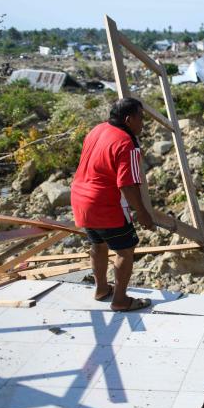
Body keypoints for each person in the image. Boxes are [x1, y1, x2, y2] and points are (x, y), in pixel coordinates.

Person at [70, 98, 155, 311]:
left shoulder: (97, 130)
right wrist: (143, 214)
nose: (142, 124)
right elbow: (127, 185)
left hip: (81, 199)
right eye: (140, 118)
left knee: (98, 244)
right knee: (125, 250)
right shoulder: (127, 143)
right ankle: (120, 300)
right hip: (105, 204)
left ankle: (101, 289)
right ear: (128, 119)